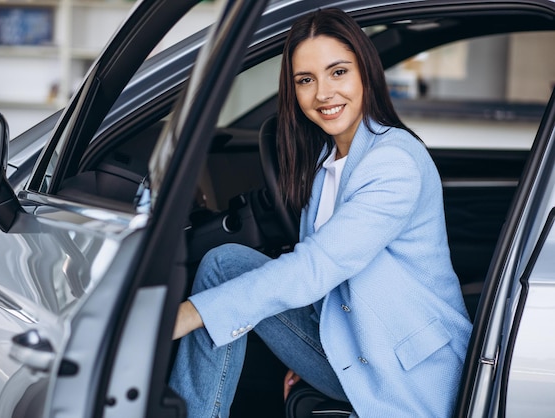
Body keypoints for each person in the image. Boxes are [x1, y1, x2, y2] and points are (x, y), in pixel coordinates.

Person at [169, 8, 472, 418]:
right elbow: (328, 285)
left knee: (215, 300)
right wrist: (303, 350)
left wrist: (188, 314)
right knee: (224, 264)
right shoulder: (326, 163)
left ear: (365, 71)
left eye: (338, 72)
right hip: (350, 344)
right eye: (306, 80)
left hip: (406, 372)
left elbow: (317, 266)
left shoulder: (394, 162)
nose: (323, 94)